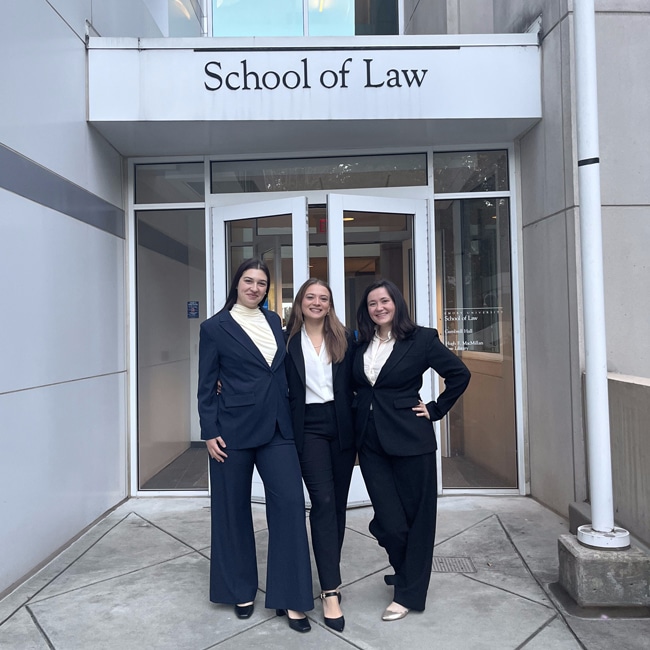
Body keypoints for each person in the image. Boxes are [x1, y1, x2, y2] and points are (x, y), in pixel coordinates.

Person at [197, 258, 313, 633]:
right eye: (248, 281)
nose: (255, 288)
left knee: (292, 506)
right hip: (231, 430)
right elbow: (205, 384)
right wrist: (209, 429)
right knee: (231, 512)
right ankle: (239, 589)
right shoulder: (214, 328)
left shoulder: (274, 322)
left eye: (262, 283)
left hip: (278, 426)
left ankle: (291, 598)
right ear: (237, 284)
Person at [353, 279, 470, 621]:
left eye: (384, 301)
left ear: (397, 304)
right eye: (372, 303)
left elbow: (459, 374)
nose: (379, 308)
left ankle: (408, 593)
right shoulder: (361, 344)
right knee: (389, 522)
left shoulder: (421, 339)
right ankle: (405, 571)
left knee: (417, 521)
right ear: (367, 309)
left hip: (411, 440)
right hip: (372, 442)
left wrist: (435, 409)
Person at [284, 279, 357, 633]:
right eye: (310, 297)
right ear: (300, 303)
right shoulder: (284, 341)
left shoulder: (346, 338)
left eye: (323, 298)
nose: (316, 302)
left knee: (336, 507)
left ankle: (332, 579)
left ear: (330, 305)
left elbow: (371, 375)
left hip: (341, 428)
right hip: (307, 428)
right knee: (323, 501)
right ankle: (329, 592)